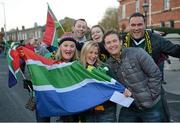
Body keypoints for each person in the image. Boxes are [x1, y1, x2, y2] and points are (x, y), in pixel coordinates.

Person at [123, 12, 180, 121]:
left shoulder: (156, 40)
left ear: (145, 25)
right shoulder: (123, 41)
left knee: (161, 118)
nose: (136, 28)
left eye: (139, 25)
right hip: (131, 92)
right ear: (129, 26)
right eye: (133, 25)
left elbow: (175, 50)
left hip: (153, 90)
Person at [103, 30, 165, 122]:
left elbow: (155, 74)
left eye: (114, 41)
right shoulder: (108, 65)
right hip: (130, 107)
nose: (112, 45)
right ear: (105, 46)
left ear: (120, 42)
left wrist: (150, 96)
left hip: (151, 106)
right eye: (108, 43)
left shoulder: (137, 53)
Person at [79, 41, 131, 122]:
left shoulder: (105, 68)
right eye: (90, 52)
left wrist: (124, 91)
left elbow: (116, 85)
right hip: (87, 112)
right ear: (84, 52)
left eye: (96, 53)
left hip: (107, 111)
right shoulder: (78, 69)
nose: (93, 56)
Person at [55, 32, 80, 122]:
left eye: (72, 46)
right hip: (61, 111)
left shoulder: (79, 65)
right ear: (60, 47)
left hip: (77, 110)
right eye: (65, 45)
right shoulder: (51, 64)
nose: (69, 49)